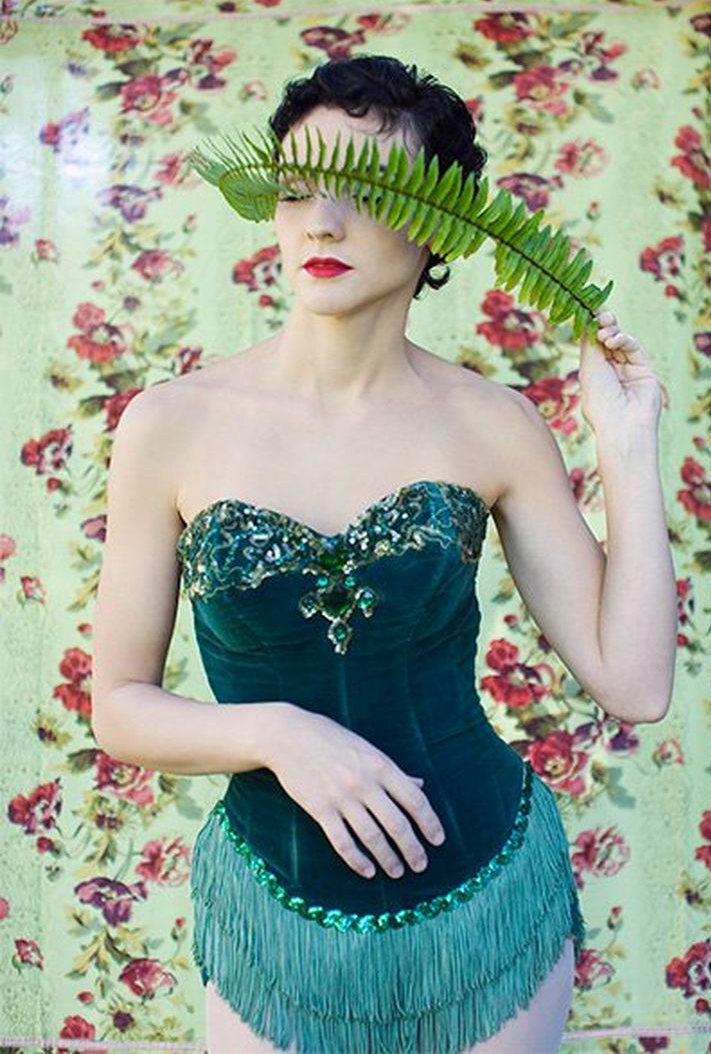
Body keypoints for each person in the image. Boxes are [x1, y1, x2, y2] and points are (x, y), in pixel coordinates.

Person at [91, 54, 676, 1054]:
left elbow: (633, 680)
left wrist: (624, 447)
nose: (320, 222)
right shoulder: (170, 424)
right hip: (276, 912)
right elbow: (117, 705)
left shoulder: (494, 425)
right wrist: (280, 733)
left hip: (486, 902)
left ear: (440, 223)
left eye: (365, 191)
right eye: (295, 189)